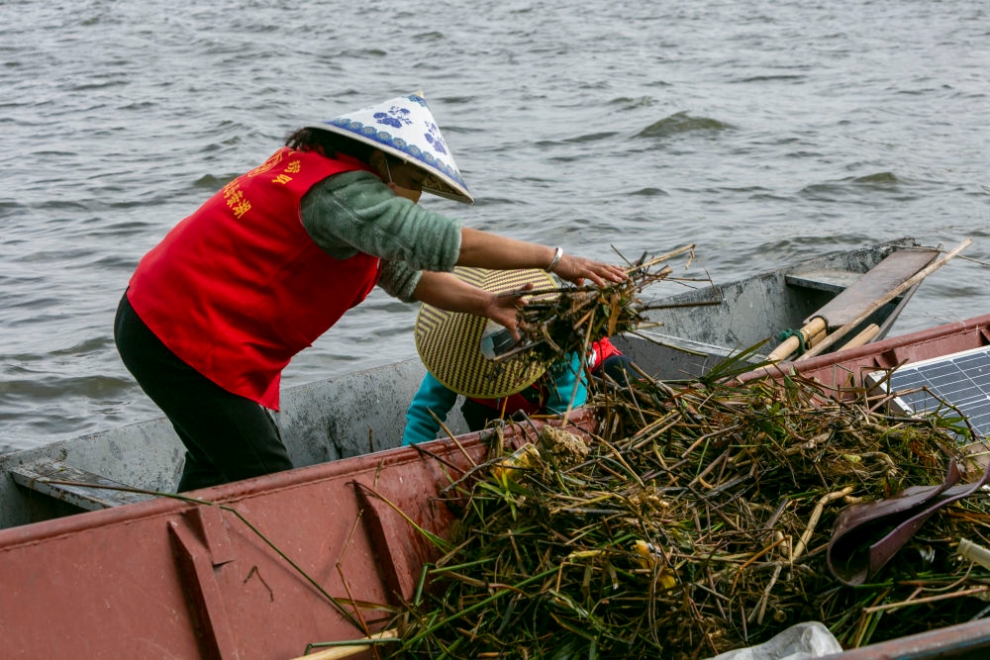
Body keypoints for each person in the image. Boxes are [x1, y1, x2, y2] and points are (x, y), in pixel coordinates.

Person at [113, 91, 626, 492]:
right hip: (177, 332)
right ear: (385, 162)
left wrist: (485, 303)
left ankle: (177, 549)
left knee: (216, 463)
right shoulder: (343, 194)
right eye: (416, 180)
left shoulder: (338, 194)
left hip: (165, 320)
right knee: (262, 472)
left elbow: (407, 276)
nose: (418, 195)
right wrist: (554, 259)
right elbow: (446, 244)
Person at [402, 267, 633, 446]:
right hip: (507, 407)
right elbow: (424, 415)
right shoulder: (453, 357)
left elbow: (566, 413)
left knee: (619, 373)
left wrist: (549, 455)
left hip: (584, 386)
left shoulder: (555, 343)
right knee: (481, 417)